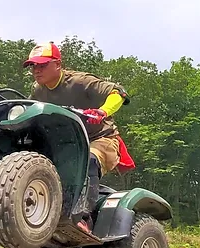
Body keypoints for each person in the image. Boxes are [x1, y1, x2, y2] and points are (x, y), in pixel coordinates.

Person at [23, 41, 135, 235]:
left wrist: (102, 111)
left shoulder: (80, 81)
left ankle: (84, 218)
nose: (36, 70)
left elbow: (119, 92)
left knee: (88, 161)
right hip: (65, 145)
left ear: (57, 64)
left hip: (101, 139)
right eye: (33, 66)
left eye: (42, 65)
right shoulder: (38, 92)